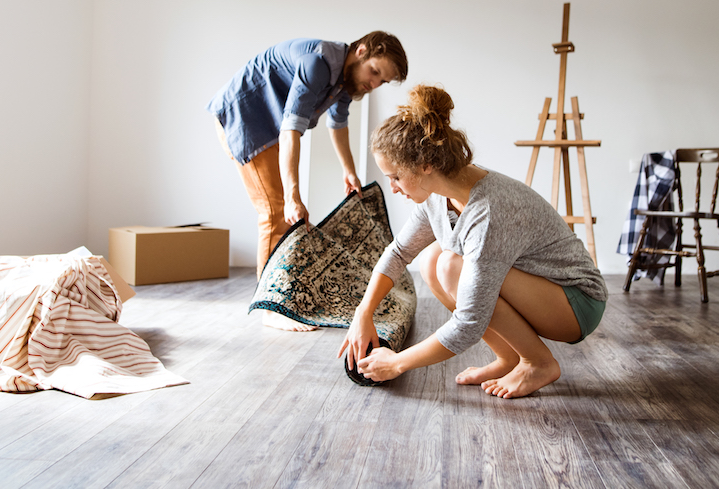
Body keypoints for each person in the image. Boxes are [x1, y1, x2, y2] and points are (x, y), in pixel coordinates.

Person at [338, 85, 606, 398]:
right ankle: (509, 358)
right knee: (432, 261)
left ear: (425, 165)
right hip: (542, 293)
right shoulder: (437, 196)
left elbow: (469, 322)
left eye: (395, 177)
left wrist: (398, 363)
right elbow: (398, 253)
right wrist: (363, 313)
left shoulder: (489, 210)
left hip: (576, 303)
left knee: (451, 266)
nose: (393, 187)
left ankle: (537, 363)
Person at [208, 33, 408, 330]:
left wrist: (349, 171)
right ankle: (270, 308)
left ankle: (282, 294)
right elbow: (292, 128)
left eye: (382, 82)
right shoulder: (318, 63)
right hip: (244, 119)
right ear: (361, 51)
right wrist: (293, 194)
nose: (374, 85)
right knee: (276, 212)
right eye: (375, 72)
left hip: (269, 127)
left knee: (286, 214)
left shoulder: (345, 80)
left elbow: (338, 124)